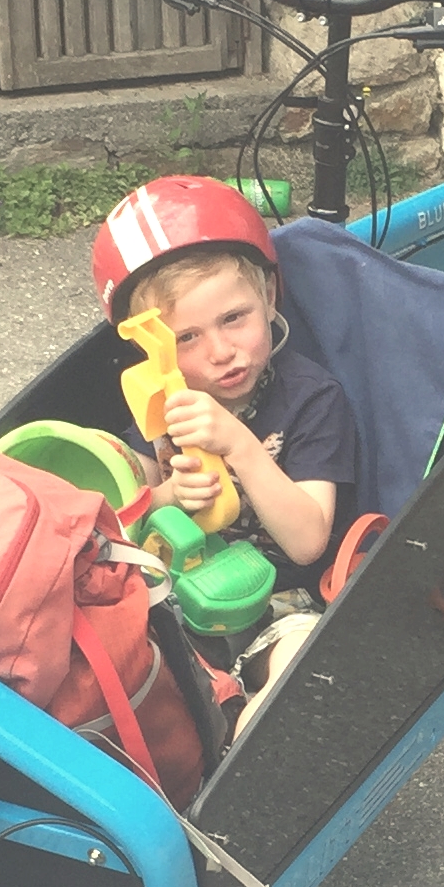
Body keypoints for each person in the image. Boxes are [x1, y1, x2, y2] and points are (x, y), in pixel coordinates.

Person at [90, 179, 359, 596]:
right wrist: (170, 497)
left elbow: (307, 543)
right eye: (186, 338)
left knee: (289, 649)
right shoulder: (159, 396)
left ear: (268, 296)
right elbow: (125, 508)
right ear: (145, 344)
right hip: (170, 588)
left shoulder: (312, 399)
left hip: (276, 599)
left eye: (234, 318)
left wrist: (239, 445)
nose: (221, 352)